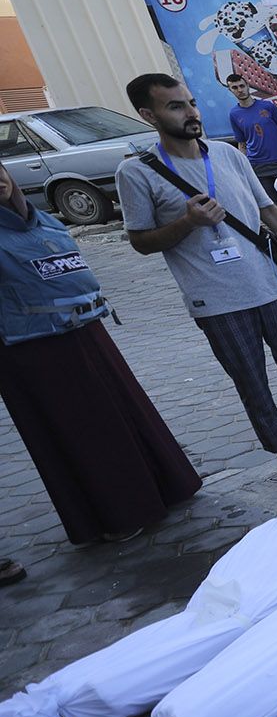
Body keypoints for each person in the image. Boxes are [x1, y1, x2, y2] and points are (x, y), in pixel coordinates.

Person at [116, 73, 277, 499]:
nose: (191, 112)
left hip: (273, 287)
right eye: (175, 106)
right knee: (253, 386)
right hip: (218, 303)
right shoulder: (136, 173)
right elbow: (140, 242)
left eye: (190, 102)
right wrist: (188, 222)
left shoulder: (227, 155)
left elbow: (270, 214)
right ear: (148, 115)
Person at [0, 161, 200, 543]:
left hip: (88, 334)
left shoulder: (43, 221)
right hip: (35, 353)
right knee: (87, 432)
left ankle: (165, 488)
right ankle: (121, 512)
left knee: (123, 412)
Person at [224, 73, 277, 202]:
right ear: (230, 90)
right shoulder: (234, 114)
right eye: (235, 88)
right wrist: (245, 166)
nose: (240, 90)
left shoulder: (268, 106)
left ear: (248, 86)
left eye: (242, 86)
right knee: (272, 205)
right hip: (257, 166)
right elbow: (242, 143)